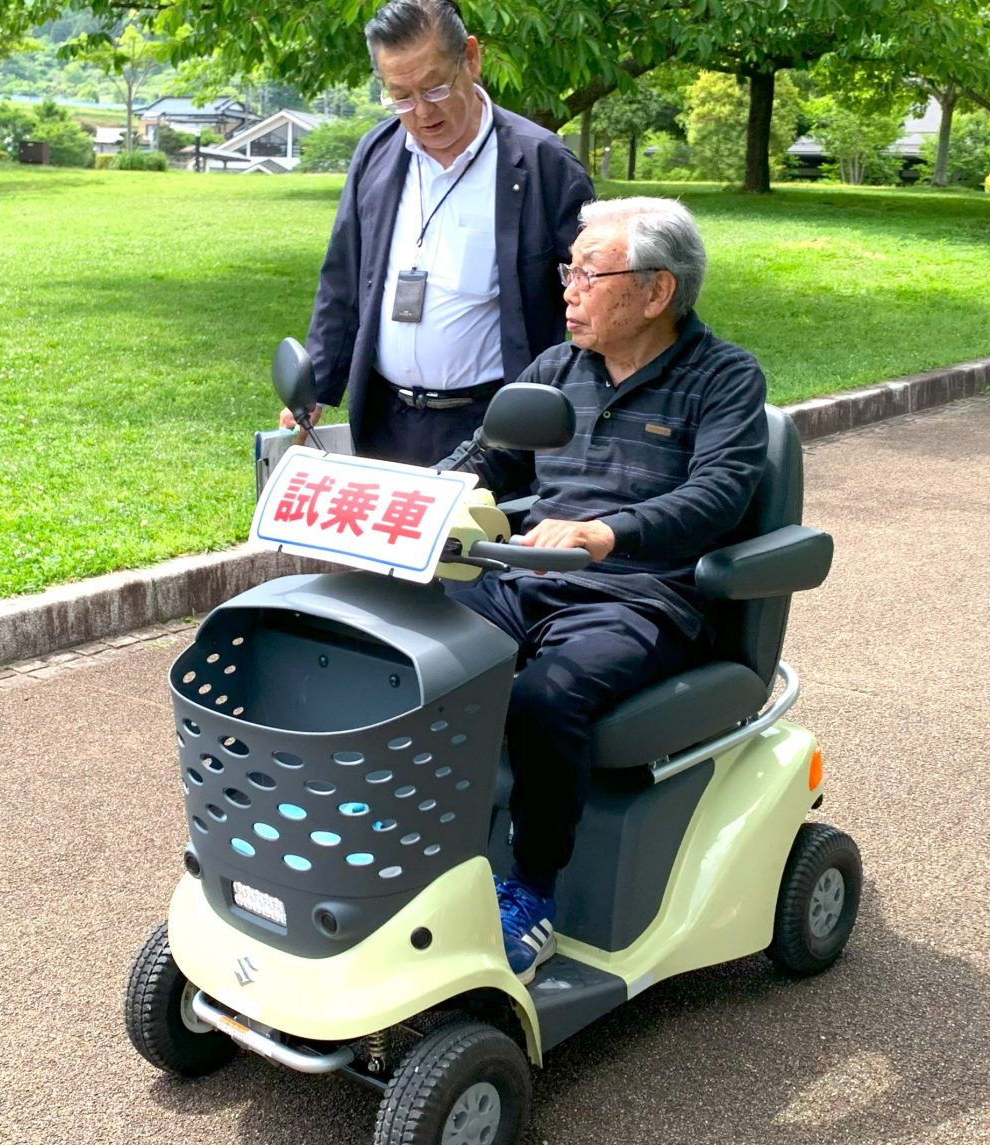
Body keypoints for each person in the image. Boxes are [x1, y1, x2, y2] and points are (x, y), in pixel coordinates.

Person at [434, 196, 769, 981]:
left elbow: (721, 492)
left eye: (590, 272)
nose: (569, 289)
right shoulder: (557, 371)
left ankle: (535, 894)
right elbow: (485, 460)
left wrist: (608, 531)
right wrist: (418, 498)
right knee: (413, 656)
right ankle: (413, 846)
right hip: (528, 579)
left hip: (640, 597)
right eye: (569, 270)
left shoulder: (723, 378)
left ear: (656, 292)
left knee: (545, 699)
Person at [280, 0, 595, 466]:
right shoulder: (378, 153)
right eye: (401, 96)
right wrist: (317, 385)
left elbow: (598, 289)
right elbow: (344, 279)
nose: (422, 112)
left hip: (494, 424)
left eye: (435, 89)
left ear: (471, 58)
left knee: (473, 537)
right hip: (386, 418)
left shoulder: (542, 164)